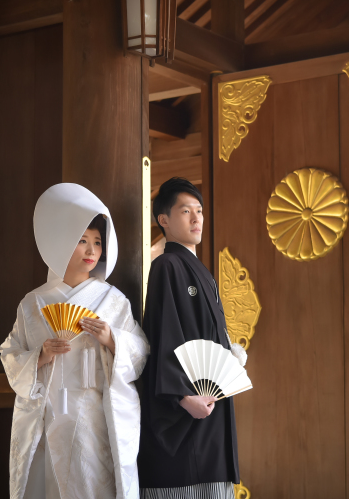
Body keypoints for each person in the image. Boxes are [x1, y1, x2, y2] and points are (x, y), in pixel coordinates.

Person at [0, 183, 150, 499]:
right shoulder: (33, 304)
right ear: (61, 242)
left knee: (94, 482)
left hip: (95, 416)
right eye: (82, 240)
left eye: (97, 242)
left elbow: (140, 351)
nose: (92, 250)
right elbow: (10, 351)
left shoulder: (113, 301)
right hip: (49, 412)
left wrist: (113, 340)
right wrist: (38, 356)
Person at [137, 178, 245, 499]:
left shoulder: (200, 271)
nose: (197, 218)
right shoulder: (167, 265)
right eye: (186, 211)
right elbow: (164, 333)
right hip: (186, 406)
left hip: (207, 402)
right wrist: (182, 397)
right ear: (164, 220)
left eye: (199, 210)